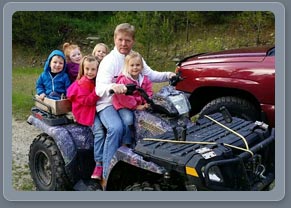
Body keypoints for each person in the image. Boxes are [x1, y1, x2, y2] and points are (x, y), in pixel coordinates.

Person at [95, 23, 176, 182]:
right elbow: (99, 89)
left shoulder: (135, 57)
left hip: (130, 102)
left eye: (128, 40)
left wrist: (168, 75)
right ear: (114, 39)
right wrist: (113, 86)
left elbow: (150, 75)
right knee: (116, 128)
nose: (124, 44)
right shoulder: (109, 61)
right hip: (108, 103)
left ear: (133, 41)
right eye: (120, 40)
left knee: (152, 124)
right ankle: (106, 174)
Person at [66, 55, 105, 180]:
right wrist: (98, 91)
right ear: (82, 69)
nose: (90, 72)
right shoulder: (82, 83)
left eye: (93, 69)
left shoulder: (96, 81)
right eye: (87, 69)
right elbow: (88, 101)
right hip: (85, 112)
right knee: (99, 132)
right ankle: (98, 164)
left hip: (95, 109)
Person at [112, 51, 153, 147]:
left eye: (138, 65)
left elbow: (148, 92)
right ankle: (126, 142)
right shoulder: (124, 80)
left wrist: (148, 102)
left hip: (140, 105)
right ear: (127, 67)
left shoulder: (145, 79)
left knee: (149, 119)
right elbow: (124, 98)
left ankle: (142, 140)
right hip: (124, 105)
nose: (135, 67)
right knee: (128, 119)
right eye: (132, 65)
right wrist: (137, 106)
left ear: (142, 66)